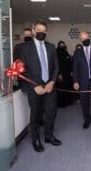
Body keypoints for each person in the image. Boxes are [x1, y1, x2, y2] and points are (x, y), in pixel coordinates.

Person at [18, 21, 61, 152]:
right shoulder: (24, 48)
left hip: (50, 87)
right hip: (34, 88)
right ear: (33, 30)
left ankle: (48, 136)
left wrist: (52, 82)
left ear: (46, 32)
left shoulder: (51, 47)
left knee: (51, 113)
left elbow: (56, 67)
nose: (41, 33)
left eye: (44, 31)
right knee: (35, 115)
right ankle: (35, 139)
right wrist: (34, 85)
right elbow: (22, 69)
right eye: (39, 30)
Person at [73, 32, 91, 129]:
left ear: (89, 38)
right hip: (83, 82)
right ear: (80, 40)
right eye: (83, 38)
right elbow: (75, 68)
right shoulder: (77, 52)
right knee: (84, 102)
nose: (85, 39)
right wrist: (75, 81)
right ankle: (87, 119)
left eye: (86, 37)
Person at [56, 41, 73, 107]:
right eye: (61, 45)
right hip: (60, 75)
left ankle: (68, 102)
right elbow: (56, 64)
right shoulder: (56, 53)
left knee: (67, 88)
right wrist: (59, 74)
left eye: (63, 45)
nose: (62, 46)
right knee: (61, 89)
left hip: (67, 75)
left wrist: (71, 71)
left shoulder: (66, 53)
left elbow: (69, 63)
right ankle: (61, 104)